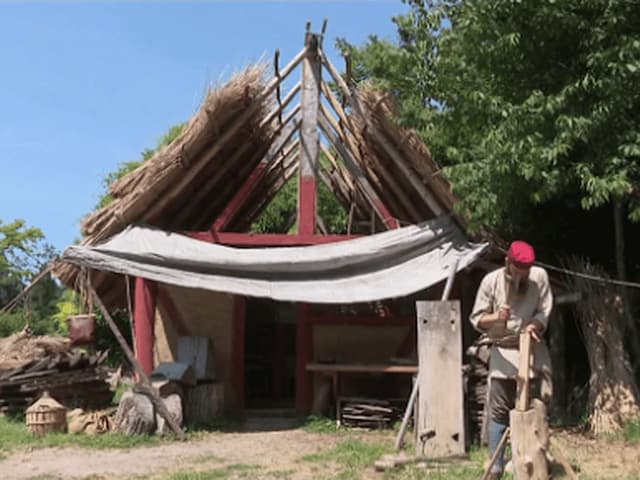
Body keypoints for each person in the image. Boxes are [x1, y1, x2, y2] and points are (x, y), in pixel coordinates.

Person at [470, 240, 553, 479]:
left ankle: (534, 463)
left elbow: (544, 310)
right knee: (499, 409)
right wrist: (497, 316)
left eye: (526, 272)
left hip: (532, 350)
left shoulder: (539, 277)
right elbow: (477, 319)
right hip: (503, 351)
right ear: (508, 263)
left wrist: (535, 324)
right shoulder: (491, 281)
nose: (522, 277)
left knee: (536, 407)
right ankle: (496, 466)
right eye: (518, 272)